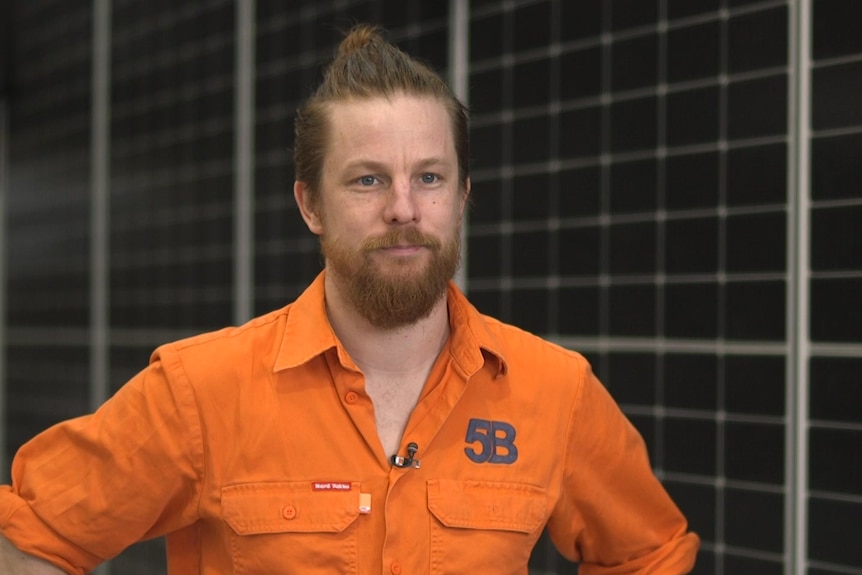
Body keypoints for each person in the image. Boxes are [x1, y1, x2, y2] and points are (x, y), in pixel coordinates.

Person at [0, 24, 699, 575]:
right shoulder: (200, 393)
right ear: (311, 205)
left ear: (460, 197)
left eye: (429, 177)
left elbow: (650, 553)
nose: (403, 208)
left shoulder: (556, 391)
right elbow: (33, 537)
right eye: (367, 181)